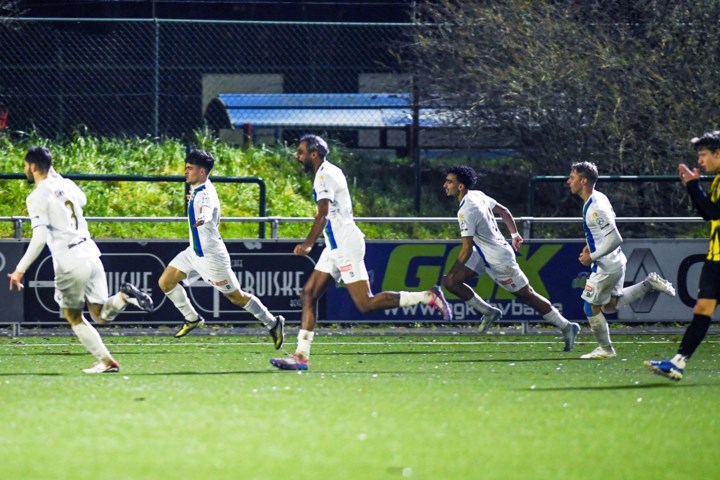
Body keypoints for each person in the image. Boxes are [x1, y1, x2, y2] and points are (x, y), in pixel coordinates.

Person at [270, 134, 452, 371]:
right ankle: (301, 356)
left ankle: (427, 296)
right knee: (309, 294)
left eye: (301, 152)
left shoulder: (323, 176)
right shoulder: (329, 171)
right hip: (335, 246)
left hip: (345, 244)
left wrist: (307, 244)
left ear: (313, 154)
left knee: (365, 303)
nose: (298, 156)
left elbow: (322, 214)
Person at [7, 146, 154, 373]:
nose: (25, 169)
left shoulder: (36, 196)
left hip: (70, 260)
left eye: (26, 165)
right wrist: (58, 178)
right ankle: (124, 297)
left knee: (73, 316)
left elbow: (39, 237)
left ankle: (107, 362)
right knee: (100, 315)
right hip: (91, 253)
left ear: (33, 166)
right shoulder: (66, 185)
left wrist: (19, 269)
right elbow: (82, 200)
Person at [442, 165, 581, 351]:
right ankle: (489, 312)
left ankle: (567, 326)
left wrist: (452, 271)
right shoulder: (478, 195)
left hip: (499, 259)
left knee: (527, 295)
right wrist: (514, 234)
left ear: (460, 187)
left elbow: (466, 248)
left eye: (449, 182)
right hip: (484, 253)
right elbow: (504, 211)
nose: (445, 185)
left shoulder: (466, 210)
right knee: (451, 283)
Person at [158, 150, 285, 347]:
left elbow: (207, 209)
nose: (185, 172)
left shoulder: (205, 193)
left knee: (237, 297)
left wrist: (203, 217)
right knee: (166, 282)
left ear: (202, 172)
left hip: (211, 256)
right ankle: (192, 318)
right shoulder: (199, 188)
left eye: (190, 169)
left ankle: (273, 322)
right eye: (186, 168)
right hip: (194, 252)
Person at [568, 161, 676, 359]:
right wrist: (590, 245)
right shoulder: (598, 197)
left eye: (572, 177)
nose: (569, 181)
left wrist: (592, 255)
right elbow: (605, 230)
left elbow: (616, 237)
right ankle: (648, 284)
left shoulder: (595, 208)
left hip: (606, 265)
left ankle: (606, 349)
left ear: (583, 180)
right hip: (616, 260)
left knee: (589, 306)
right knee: (609, 306)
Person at [646, 131, 720, 380]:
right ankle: (677, 363)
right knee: (702, 308)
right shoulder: (717, 181)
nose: (700, 160)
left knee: (703, 308)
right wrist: (693, 187)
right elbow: (707, 214)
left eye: (703, 155)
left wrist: (692, 185)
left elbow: (713, 212)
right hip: (716, 259)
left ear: (718, 154)